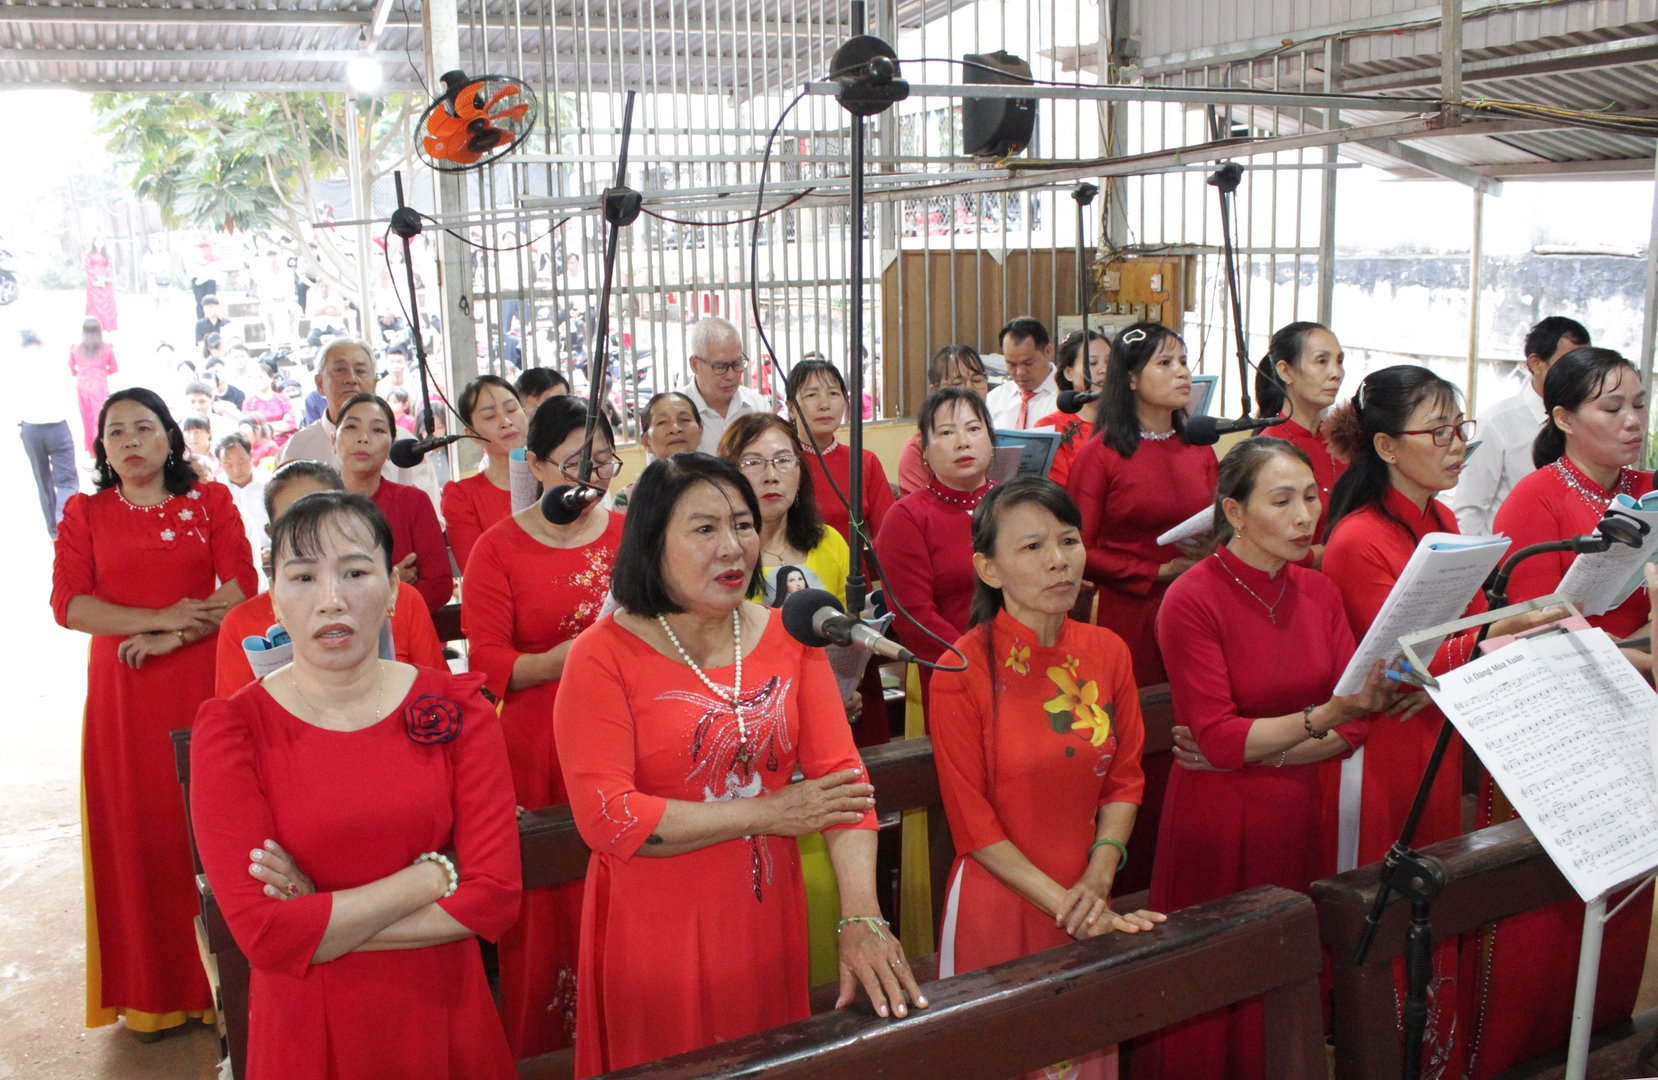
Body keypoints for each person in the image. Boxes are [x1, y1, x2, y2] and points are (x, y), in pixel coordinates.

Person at [553, 453, 925, 1077]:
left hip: (765, 922)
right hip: (657, 934)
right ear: (652, 542)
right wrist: (769, 812)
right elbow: (607, 817)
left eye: (743, 525)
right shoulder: (601, 656)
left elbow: (844, 785)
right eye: (705, 529)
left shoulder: (791, 637)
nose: (733, 547)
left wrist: (862, 914)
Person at [189, 491, 521, 1080]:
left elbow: (494, 898)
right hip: (308, 1028)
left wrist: (315, 921)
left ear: (393, 590)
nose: (331, 599)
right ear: (274, 600)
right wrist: (432, 877)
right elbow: (263, 934)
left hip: (443, 1012)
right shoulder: (233, 730)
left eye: (355, 572)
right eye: (303, 577)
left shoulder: (457, 708)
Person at [1140, 438, 1393, 1080]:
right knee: (1220, 979)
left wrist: (1270, 749)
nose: (1305, 516)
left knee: (1289, 978)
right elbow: (1220, 739)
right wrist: (1320, 721)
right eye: (1282, 501)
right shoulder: (1192, 599)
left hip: (1301, 808)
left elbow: (1357, 725)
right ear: (1235, 511)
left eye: (1310, 497)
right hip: (1222, 819)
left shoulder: (1319, 591)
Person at [931, 478, 1163, 1080]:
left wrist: (1100, 875)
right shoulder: (960, 670)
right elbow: (974, 827)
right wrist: (1073, 908)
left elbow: (1124, 779)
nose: (1058, 559)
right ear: (989, 568)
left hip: (1087, 893)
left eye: (1068, 540)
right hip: (1000, 904)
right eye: (1033, 547)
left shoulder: (1108, 651)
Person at [1470, 348, 1656, 1077]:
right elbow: (1533, 632)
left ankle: (1604, 1049)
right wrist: (1642, 653)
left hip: (1632, 717)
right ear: (1564, 419)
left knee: (1625, 898)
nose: (1634, 420)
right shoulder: (1537, 499)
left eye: (1639, 403)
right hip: (1557, 725)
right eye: (1612, 408)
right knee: (1546, 915)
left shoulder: (1645, 491)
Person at [51, 387, 257, 1038]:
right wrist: (160, 617)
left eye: (144, 427)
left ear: (170, 437)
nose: (131, 441)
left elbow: (241, 588)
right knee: (139, 833)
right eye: (116, 432)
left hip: (202, 681)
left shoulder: (210, 502)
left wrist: (179, 633)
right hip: (125, 694)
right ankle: (153, 993)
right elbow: (70, 606)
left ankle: (228, 987)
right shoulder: (85, 512)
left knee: (209, 826)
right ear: (102, 449)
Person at [461, 396, 626, 1058]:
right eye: (576, 464)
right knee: (549, 908)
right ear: (533, 464)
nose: (592, 478)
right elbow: (487, 663)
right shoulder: (497, 548)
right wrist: (570, 657)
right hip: (538, 746)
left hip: (625, 735)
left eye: (604, 461)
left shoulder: (630, 535)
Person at [1066, 322, 1218, 689]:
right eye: (1165, 363)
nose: (1182, 372)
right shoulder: (1100, 454)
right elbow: (1076, 548)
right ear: (1132, 378)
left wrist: (1214, 549)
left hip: (1196, 602)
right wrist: (1158, 571)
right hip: (1127, 610)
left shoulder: (1199, 448)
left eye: (1183, 361)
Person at [214, 461, 447, 696]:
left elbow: (439, 695)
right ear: (271, 533)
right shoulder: (239, 624)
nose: (331, 601)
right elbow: (237, 709)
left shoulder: (403, 600)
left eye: (326, 515)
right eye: (295, 521)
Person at [875, 387, 996, 701]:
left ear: (991, 440)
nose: (963, 441)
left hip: (1029, 663)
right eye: (946, 432)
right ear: (924, 451)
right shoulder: (907, 517)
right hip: (955, 673)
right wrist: (975, 663)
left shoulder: (1016, 505)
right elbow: (914, 616)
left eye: (974, 428)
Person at [1453, 316, 1591, 535]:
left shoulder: (1587, 418)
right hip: (1510, 553)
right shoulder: (1495, 424)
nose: (1579, 374)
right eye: (1568, 364)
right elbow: (1469, 511)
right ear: (1536, 363)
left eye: (1584, 365)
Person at [279, 338, 443, 518]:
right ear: (320, 384)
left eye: (360, 371)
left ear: (374, 384)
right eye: (340, 370)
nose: (351, 379)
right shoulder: (297, 449)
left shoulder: (404, 446)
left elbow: (430, 516)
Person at [332, 393, 453, 612]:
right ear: (334, 441)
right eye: (351, 427)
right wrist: (388, 585)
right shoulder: (319, 510)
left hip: (406, 630)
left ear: (392, 447)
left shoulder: (413, 502)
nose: (363, 438)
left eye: (377, 430)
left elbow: (440, 587)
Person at [718, 413, 850, 608]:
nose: (771, 476)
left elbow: (847, 621)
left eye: (783, 460)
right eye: (753, 462)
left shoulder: (830, 542)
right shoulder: (721, 554)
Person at [786, 358, 897, 562]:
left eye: (834, 393)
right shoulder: (780, 464)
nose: (824, 405)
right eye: (812, 394)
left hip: (853, 577)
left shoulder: (865, 462)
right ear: (792, 408)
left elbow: (889, 536)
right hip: (796, 576)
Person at [1255, 321, 1349, 549]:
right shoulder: (1269, 449)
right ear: (1286, 371)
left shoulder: (1344, 439)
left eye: (1339, 361)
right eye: (1322, 361)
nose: (1336, 373)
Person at [441, 375, 526, 573]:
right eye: (490, 416)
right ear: (472, 434)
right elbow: (478, 573)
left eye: (511, 410)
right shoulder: (462, 496)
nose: (506, 422)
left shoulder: (554, 478)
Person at [898, 344, 991, 496]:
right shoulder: (917, 448)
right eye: (957, 383)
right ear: (934, 391)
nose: (970, 389)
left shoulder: (988, 436)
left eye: (977, 380)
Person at [18, 329, 80, 539]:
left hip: (30, 428)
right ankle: (65, 521)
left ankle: (53, 532)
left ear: (20, 344)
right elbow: (69, 394)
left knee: (42, 481)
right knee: (67, 481)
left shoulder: (15, 366)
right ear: (42, 342)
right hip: (57, 427)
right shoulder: (55, 364)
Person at [1033, 329, 1109, 486]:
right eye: (1093, 363)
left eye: (1110, 362)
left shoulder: (1131, 420)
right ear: (1069, 372)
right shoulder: (1050, 428)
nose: (1104, 370)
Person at [684, 316, 766, 452]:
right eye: (720, 367)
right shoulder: (674, 416)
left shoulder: (757, 406)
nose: (731, 376)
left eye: (737, 364)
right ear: (695, 365)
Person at [986, 317, 1058, 431]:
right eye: (1012, 365)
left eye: (1028, 363)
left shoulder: (1070, 398)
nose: (1020, 372)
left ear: (1048, 352)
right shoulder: (994, 400)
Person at [69, 316, 118, 453]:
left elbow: (71, 367)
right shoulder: (107, 348)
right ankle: (102, 446)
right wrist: (102, 372)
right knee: (100, 416)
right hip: (100, 384)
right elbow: (114, 368)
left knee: (86, 417)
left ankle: (91, 447)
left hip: (82, 384)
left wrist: (80, 372)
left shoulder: (75, 348)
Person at [218, 432, 268, 563]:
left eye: (241, 462)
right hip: (232, 561)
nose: (236, 470)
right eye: (228, 464)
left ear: (251, 455)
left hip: (269, 557)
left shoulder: (270, 483)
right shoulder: (216, 491)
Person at [241, 358, 298, 446]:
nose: (258, 381)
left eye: (261, 377)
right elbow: (251, 430)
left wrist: (264, 427)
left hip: (286, 443)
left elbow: (290, 424)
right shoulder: (249, 403)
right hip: (262, 446)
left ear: (271, 378)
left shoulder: (283, 399)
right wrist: (279, 426)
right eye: (255, 378)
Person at [85, 235, 119, 332]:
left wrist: (103, 279)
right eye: (97, 241)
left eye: (101, 241)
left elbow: (109, 267)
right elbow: (88, 268)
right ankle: (95, 326)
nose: (99, 243)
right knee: (95, 305)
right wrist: (96, 278)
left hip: (105, 283)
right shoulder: (88, 255)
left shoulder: (107, 254)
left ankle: (108, 327)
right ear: (93, 243)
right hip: (94, 284)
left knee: (107, 306)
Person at [181, 416, 218, 481]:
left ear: (209, 433)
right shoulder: (181, 457)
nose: (192, 437)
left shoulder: (218, 455)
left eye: (197, 432)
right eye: (188, 432)